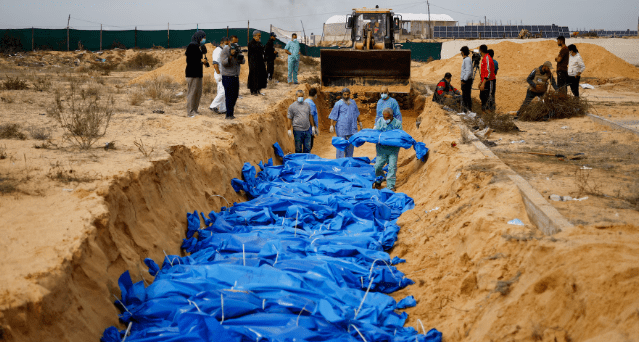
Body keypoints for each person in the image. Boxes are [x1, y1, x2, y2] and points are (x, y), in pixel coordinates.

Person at [373, 107, 403, 191]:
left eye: (387, 117)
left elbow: (400, 136)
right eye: (384, 117)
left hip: (393, 149)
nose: (385, 119)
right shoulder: (380, 121)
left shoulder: (397, 124)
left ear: (392, 116)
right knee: (377, 166)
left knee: (392, 167)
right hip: (381, 149)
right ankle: (380, 179)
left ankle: (390, 185)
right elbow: (376, 134)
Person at [329, 88, 363, 158]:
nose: (346, 96)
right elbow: (333, 115)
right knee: (341, 145)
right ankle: (340, 161)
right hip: (341, 128)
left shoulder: (353, 103)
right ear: (342, 94)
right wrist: (331, 125)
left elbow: (356, 113)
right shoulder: (338, 104)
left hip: (352, 128)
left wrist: (360, 122)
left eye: (348, 94)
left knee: (350, 145)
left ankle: (349, 160)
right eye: (345, 94)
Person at [220, 35, 245, 120]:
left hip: (235, 76)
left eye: (237, 42)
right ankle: (228, 114)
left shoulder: (238, 49)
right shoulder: (225, 50)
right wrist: (231, 56)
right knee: (229, 96)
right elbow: (224, 63)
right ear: (230, 42)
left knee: (235, 95)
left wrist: (239, 57)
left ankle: (231, 113)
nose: (236, 44)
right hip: (227, 76)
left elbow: (243, 61)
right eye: (234, 42)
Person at [185, 30, 208, 117]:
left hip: (198, 73)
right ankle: (190, 112)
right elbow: (190, 61)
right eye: (203, 38)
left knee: (198, 92)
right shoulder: (192, 46)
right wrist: (201, 61)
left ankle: (195, 110)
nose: (204, 39)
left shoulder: (198, 46)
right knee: (192, 92)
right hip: (192, 73)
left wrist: (203, 62)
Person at [209, 37, 228, 114]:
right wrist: (219, 74)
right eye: (226, 44)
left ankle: (223, 109)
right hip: (219, 74)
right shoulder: (217, 51)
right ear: (222, 43)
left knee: (221, 91)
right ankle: (213, 106)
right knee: (223, 91)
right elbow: (215, 64)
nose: (227, 45)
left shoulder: (223, 50)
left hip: (223, 73)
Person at [247, 30, 267, 96]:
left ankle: (258, 89)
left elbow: (262, 49)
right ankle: (253, 90)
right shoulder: (251, 43)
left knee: (260, 76)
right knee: (254, 76)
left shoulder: (259, 43)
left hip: (260, 62)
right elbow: (255, 50)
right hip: (253, 62)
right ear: (255, 36)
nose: (260, 37)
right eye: (259, 35)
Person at [478, 44, 495, 112]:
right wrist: (481, 82)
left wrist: (483, 83)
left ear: (481, 50)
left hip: (489, 81)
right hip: (484, 81)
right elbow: (483, 72)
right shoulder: (484, 59)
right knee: (482, 97)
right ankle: (484, 113)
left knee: (489, 98)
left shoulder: (487, 58)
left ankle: (489, 115)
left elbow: (488, 72)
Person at [460, 46, 473, 112]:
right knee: (465, 96)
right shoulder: (466, 59)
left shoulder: (467, 60)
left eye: (461, 52)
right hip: (466, 80)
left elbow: (468, 71)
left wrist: (464, 80)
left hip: (466, 81)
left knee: (466, 97)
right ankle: (466, 111)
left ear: (463, 52)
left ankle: (466, 111)